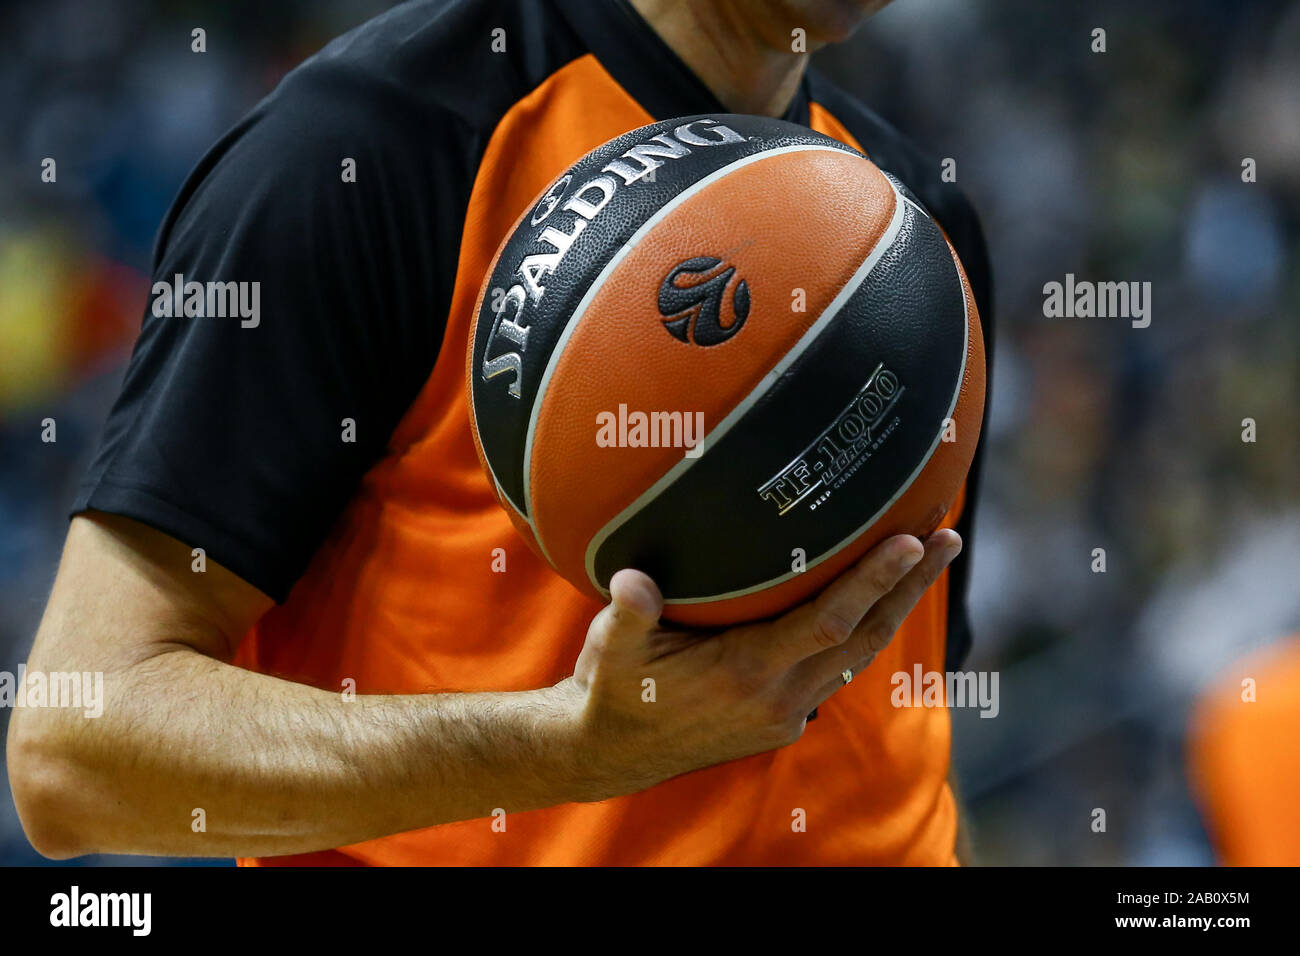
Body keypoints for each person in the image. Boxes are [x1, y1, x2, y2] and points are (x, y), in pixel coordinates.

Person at [8, 0, 992, 866]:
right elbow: (75, 749)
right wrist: (562, 747)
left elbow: (897, 746)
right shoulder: (367, 151)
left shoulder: (910, 232)